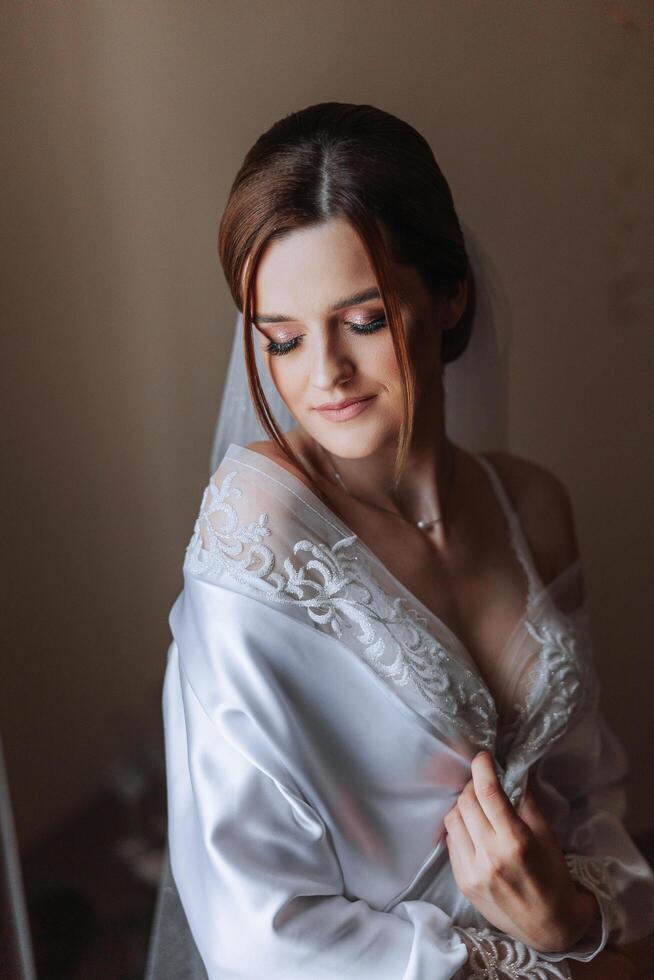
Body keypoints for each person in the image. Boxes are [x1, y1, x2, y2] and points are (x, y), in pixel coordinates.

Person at [157, 103, 654, 978]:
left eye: (365, 320)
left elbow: (590, 800)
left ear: (449, 294)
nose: (324, 376)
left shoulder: (533, 506)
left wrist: (574, 920)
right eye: (282, 339)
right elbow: (255, 932)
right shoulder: (258, 534)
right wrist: (520, 957)